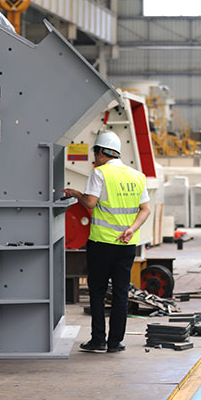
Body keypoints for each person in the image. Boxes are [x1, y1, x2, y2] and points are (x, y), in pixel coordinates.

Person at [64, 131, 150, 353]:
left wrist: (76, 193)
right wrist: (131, 229)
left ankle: (98, 339)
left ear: (101, 152)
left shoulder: (100, 173)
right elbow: (145, 209)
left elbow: (90, 203)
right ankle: (115, 343)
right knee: (121, 293)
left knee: (97, 292)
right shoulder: (137, 176)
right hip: (127, 245)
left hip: (102, 244)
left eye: (95, 153)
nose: (95, 158)